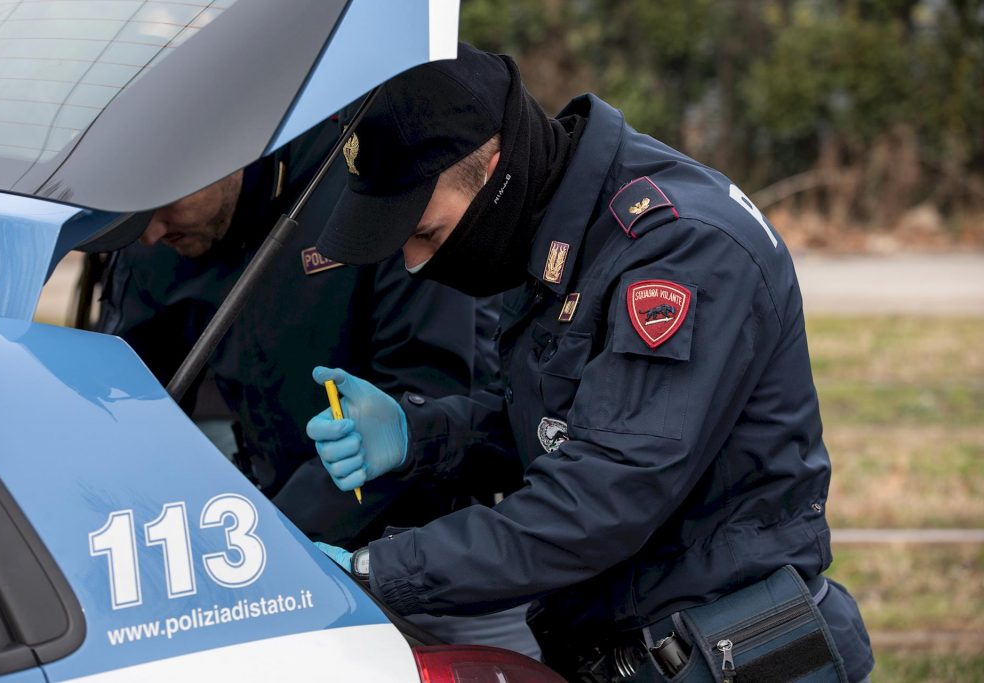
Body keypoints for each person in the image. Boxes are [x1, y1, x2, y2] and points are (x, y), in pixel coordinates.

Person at [306, 44, 874, 681]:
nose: (414, 262)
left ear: (494, 172)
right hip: (628, 649)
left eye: (428, 234)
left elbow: (601, 496)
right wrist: (424, 435)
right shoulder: (558, 227)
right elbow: (570, 423)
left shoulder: (677, 249)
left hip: (725, 656)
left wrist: (379, 572)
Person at [96, 115, 539, 657]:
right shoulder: (155, 247)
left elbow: (430, 388)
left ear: (226, 150)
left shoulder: (368, 184)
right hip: (270, 558)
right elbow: (128, 406)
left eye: (165, 203)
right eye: (134, 212)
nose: (151, 230)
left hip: (430, 563)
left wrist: (271, 537)